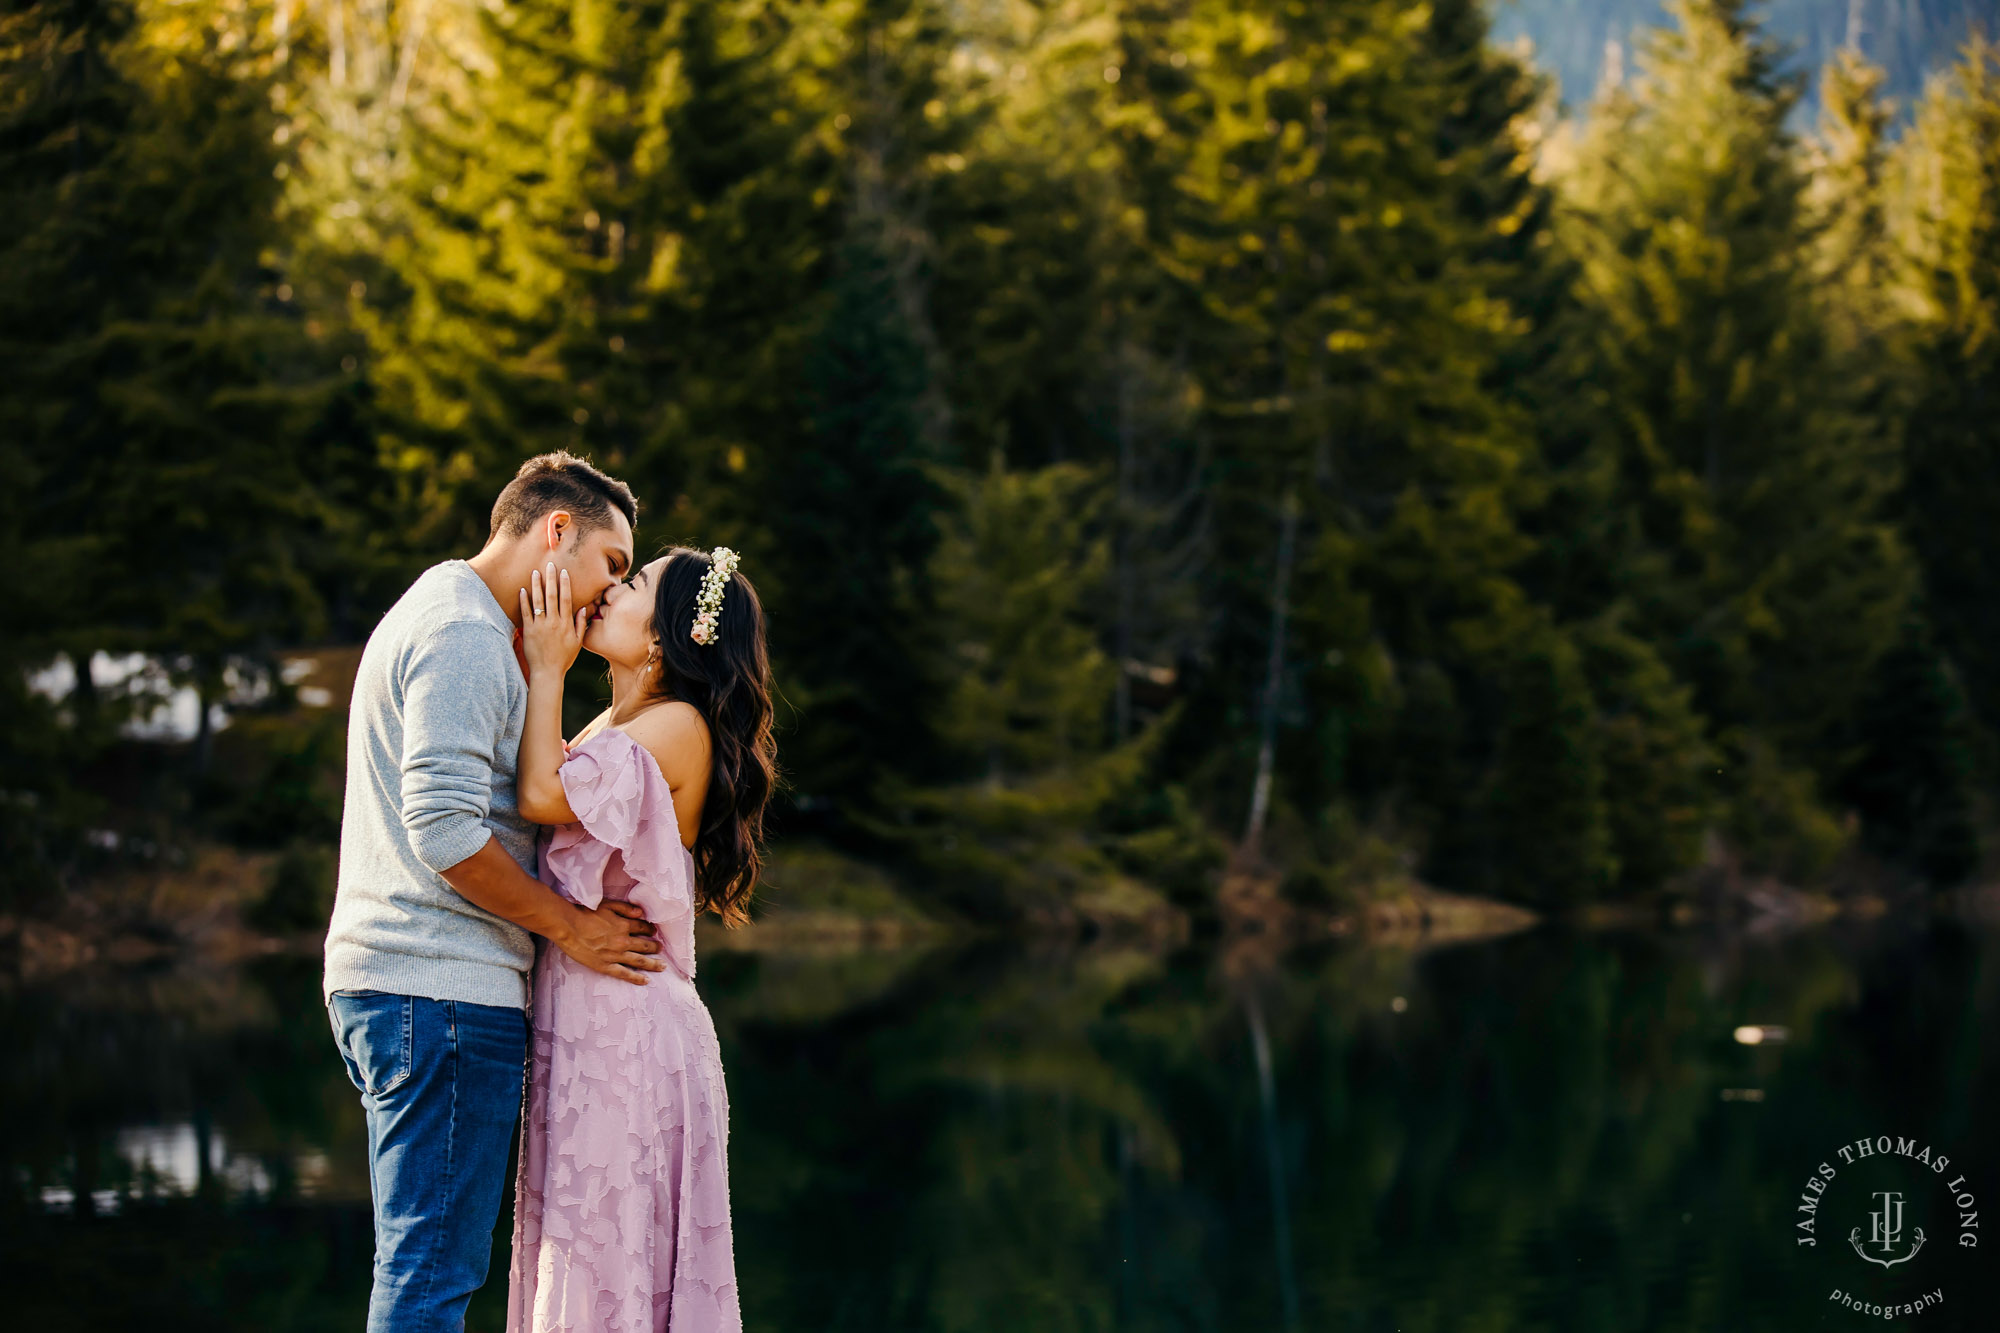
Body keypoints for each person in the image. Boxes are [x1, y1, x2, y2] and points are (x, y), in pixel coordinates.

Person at [324, 452, 669, 1333]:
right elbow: (441, 830)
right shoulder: (465, 632)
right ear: (557, 530)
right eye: (612, 565)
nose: (606, 591)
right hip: (437, 988)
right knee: (432, 1269)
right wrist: (574, 928)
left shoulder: (461, 617)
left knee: (427, 1259)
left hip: (415, 987)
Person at [506, 544, 774, 1333]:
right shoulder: (617, 723)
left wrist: (547, 665)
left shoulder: (678, 724)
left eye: (633, 584)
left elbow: (537, 792)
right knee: (584, 1251)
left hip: (629, 1029)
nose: (609, 592)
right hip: (592, 1018)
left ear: (666, 634)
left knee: (608, 1259)